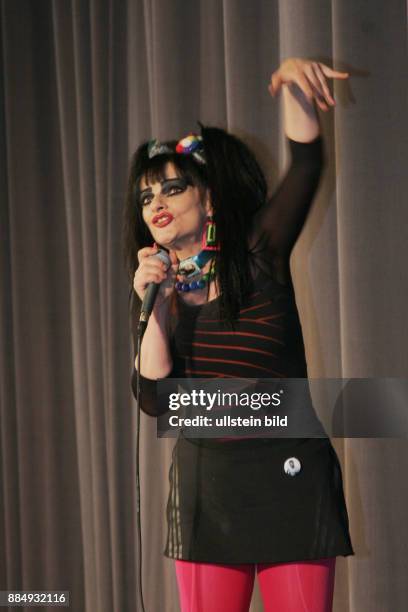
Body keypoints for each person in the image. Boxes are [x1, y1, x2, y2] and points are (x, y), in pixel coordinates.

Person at [123, 58, 354, 612]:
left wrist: (297, 91)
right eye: (147, 196)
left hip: (289, 478)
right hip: (208, 488)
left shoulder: (259, 254)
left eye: (172, 189)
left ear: (208, 197)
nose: (156, 204)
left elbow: (305, 167)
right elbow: (156, 400)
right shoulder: (156, 284)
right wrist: (152, 310)